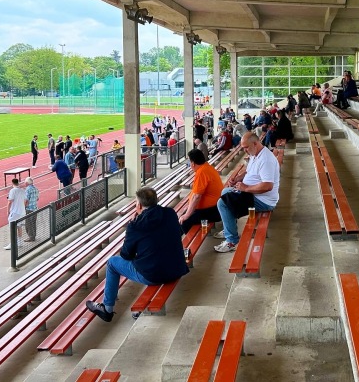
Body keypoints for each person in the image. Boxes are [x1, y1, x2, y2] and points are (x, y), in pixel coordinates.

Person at [86, 187, 189, 322]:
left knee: (112, 263)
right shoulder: (170, 213)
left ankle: (107, 308)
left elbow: (126, 255)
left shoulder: (135, 226)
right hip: (177, 268)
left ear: (139, 205)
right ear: (156, 200)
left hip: (154, 275)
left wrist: (134, 224)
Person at [214, 132, 280, 253]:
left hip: (263, 200)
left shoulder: (266, 160)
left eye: (246, 147)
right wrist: (238, 179)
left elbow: (267, 186)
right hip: (253, 194)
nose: (245, 151)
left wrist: (245, 188)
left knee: (222, 203)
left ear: (255, 143)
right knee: (225, 192)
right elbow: (249, 172)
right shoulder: (255, 153)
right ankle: (229, 227)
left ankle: (232, 241)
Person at [178, 149, 223, 234]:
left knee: (183, 221)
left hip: (211, 211)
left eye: (189, 161)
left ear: (193, 163)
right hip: (214, 208)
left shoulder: (202, 172)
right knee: (181, 216)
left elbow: (196, 196)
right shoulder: (207, 167)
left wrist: (187, 215)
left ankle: (184, 245)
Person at [4, 179, 27, 250]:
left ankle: (12, 243)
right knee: (19, 226)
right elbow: (25, 201)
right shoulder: (22, 190)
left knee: (12, 228)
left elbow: (10, 201)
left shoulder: (12, 191)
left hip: (15, 212)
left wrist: (7, 211)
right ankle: (19, 242)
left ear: (12, 183)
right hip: (22, 212)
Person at [24, 177, 39, 241]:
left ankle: (31, 237)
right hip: (35, 208)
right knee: (33, 222)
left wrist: (23, 207)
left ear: (27, 183)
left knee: (28, 223)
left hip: (29, 208)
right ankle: (33, 235)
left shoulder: (27, 189)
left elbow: (26, 200)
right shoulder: (35, 188)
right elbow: (38, 198)